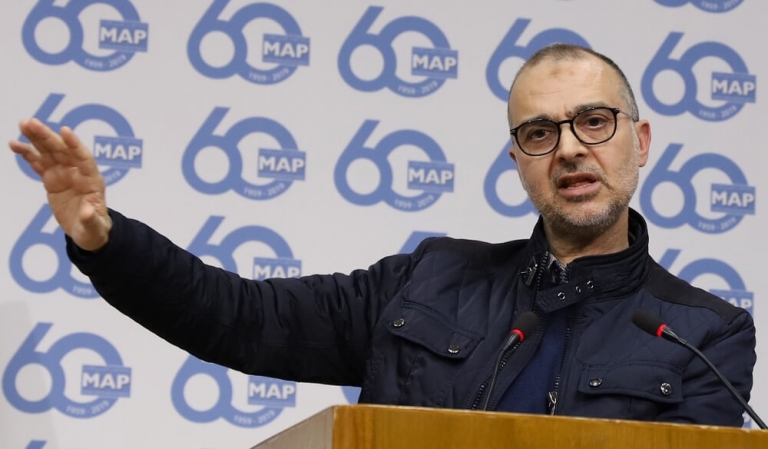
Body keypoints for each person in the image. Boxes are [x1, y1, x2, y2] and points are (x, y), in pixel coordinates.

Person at [9, 44, 756, 427]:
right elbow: (239, 315)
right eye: (538, 132)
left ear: (640, 141)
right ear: (517, 160)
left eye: (594, 122)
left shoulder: (704, 335)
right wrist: (106, 239)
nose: (568, 149)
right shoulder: (426, 281)